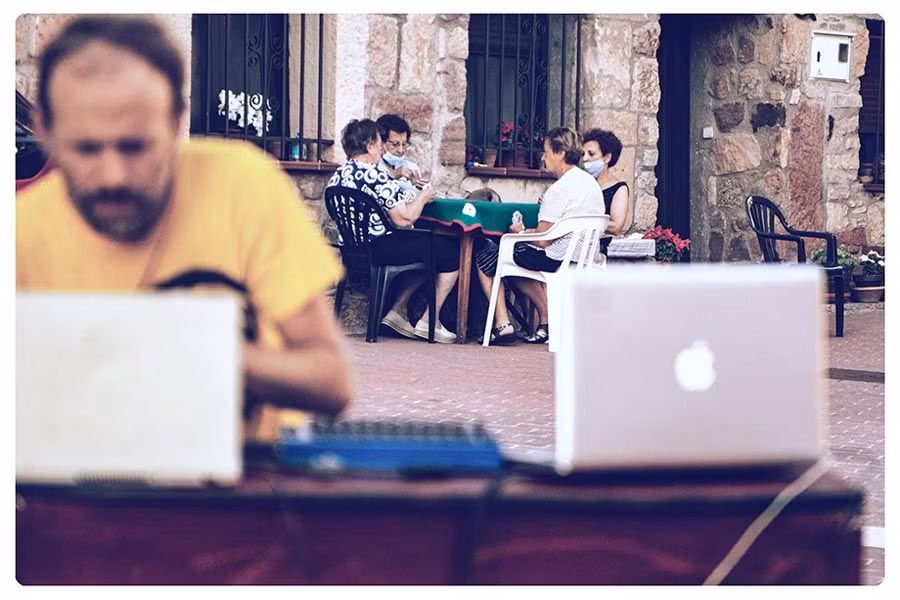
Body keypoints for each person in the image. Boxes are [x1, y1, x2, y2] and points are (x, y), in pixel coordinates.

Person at [16, 15, 355, 438]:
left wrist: (201, 354)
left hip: (246, 484)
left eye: (135, 146)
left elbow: (332, 381)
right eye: (85, 148)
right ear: (44, 130)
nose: (112, 176)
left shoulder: (242, 185)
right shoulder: (21, 233)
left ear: (176, 123)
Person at [327, 118, 460, 343]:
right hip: (382, 246)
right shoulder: (376, 175)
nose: (381, 150)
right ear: (369, 146)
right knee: (450, 251)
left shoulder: (338, 176)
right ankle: (430, 320)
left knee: (429, 248)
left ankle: (398, 312)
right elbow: (404, 219)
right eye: (380, 144)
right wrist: (422, 198)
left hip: (353, 248)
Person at [473, 127, 605, 345]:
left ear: (560, 153)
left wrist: (520, 232)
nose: (543, 157)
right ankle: (547, 322)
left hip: (557, 258)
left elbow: (543, 240)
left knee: (487, 252)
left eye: (546, 151)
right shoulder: (590, 184)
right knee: (514, 256)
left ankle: (503, 324)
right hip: (584, 257)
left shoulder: (558, 190)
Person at [581, 128, 631, 250]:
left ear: (607, 157)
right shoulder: (582, 183)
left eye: (591, 154)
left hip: (595, 249)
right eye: (583, 154)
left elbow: (616, 226)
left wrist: (581, 220)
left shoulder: (619, 188)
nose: (585, 159)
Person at [375, 113, 428, 191]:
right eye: (395, 144)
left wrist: (421, 188)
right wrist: (394, 174)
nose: (401, 150)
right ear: (380, 142)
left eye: (404, 144)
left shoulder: (411, 167)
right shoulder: (372, 167)